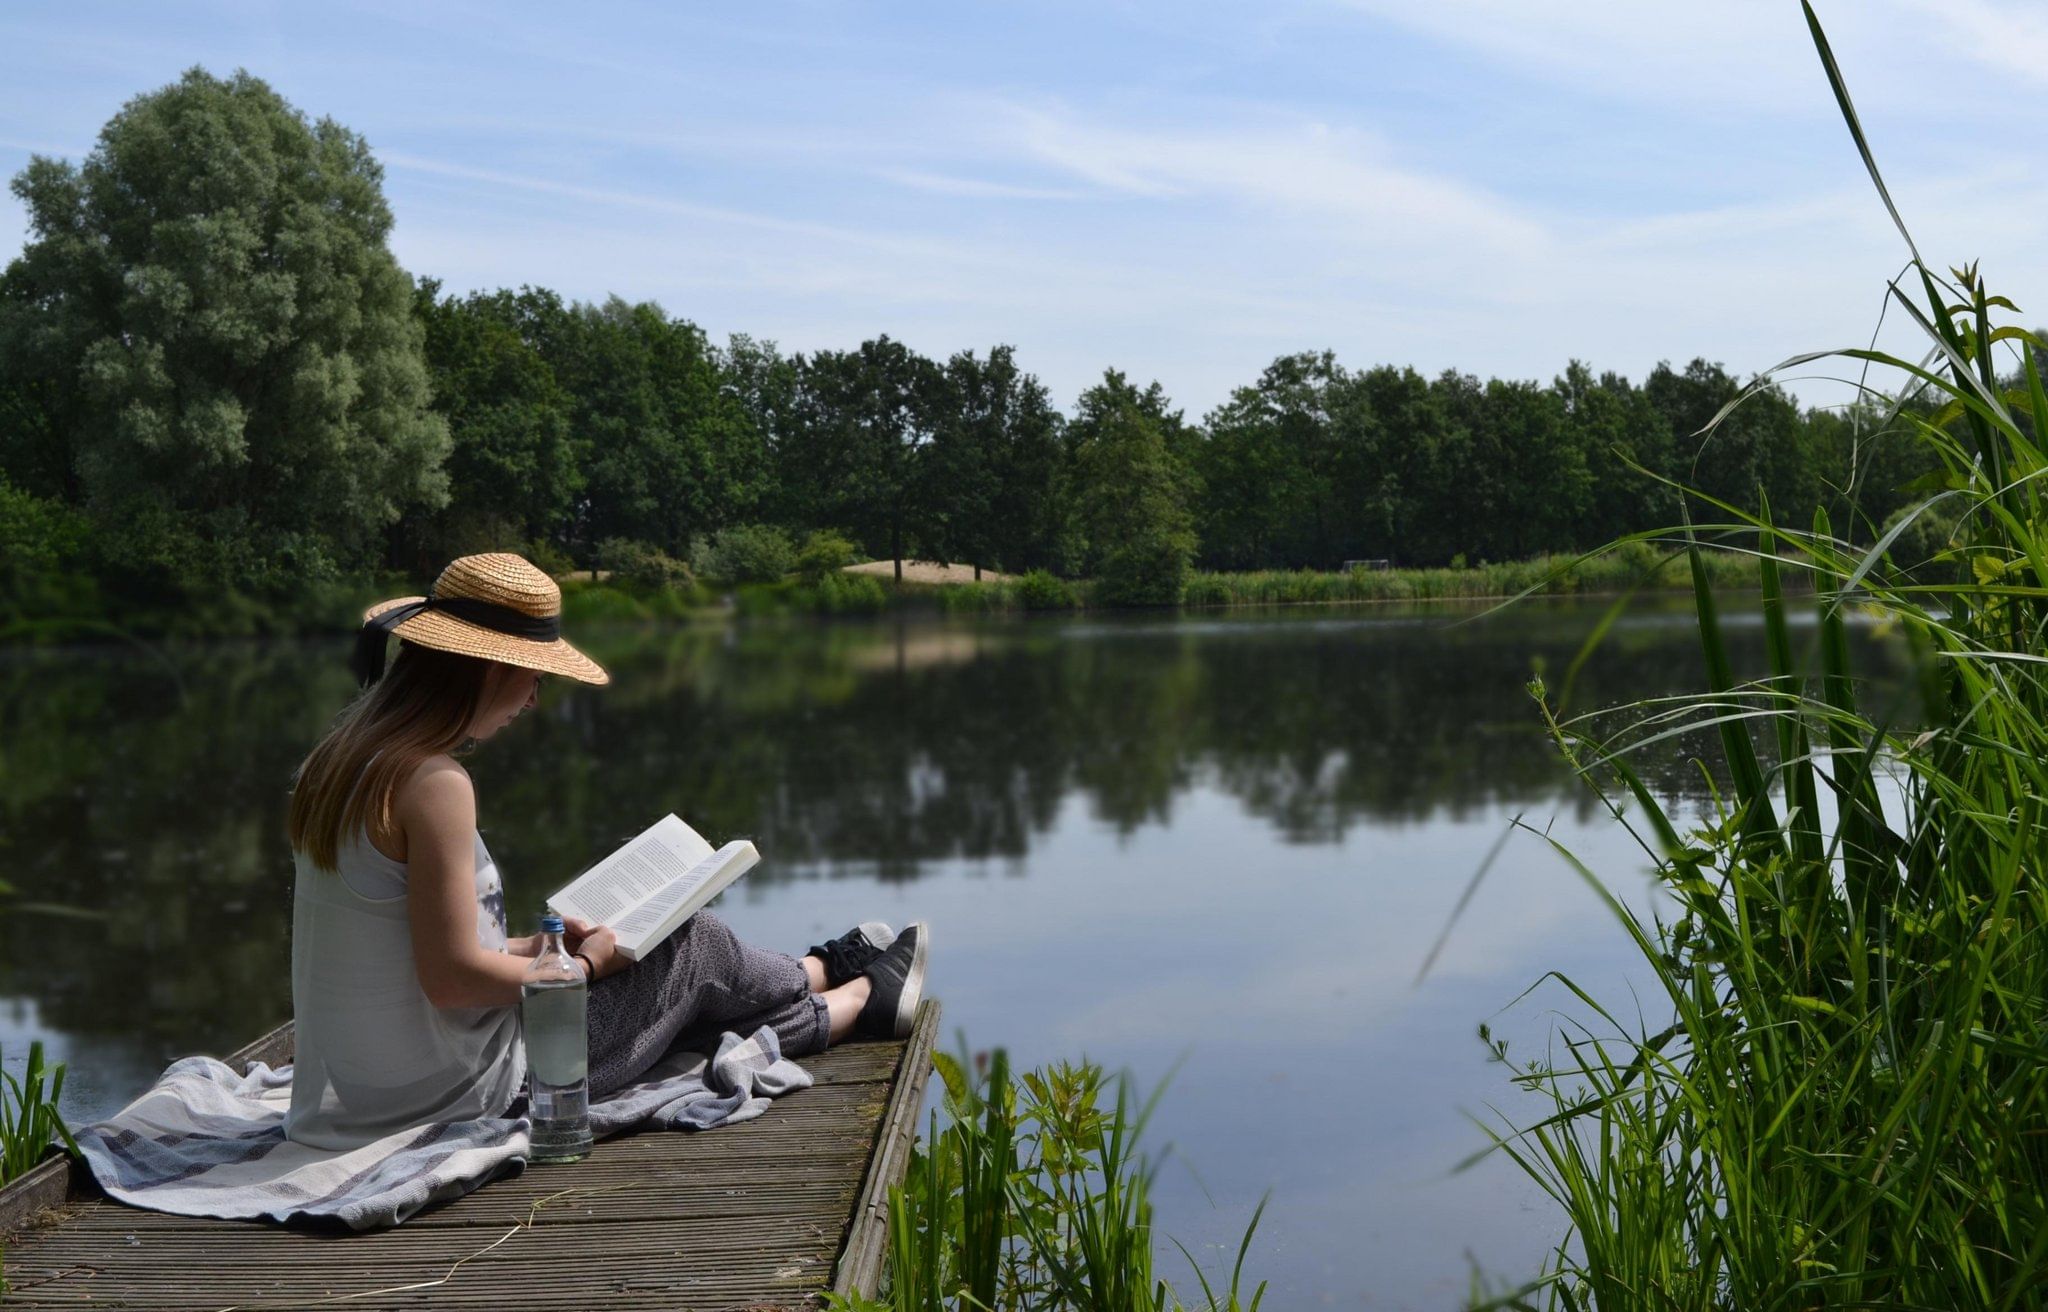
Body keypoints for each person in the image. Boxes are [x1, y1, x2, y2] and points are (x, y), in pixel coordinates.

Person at [281, 552, 927, 1149]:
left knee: (664, 984)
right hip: (456, 1092)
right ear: (489, 670)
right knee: (690, 945)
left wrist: (542, 950)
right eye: (533, 676)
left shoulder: (337, 765)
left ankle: (828, 982)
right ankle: (843, 993)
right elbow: (451, 981)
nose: (534, 699)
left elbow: (413, 948)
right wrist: (581, 971)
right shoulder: (434, 784)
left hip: (368, 1086)